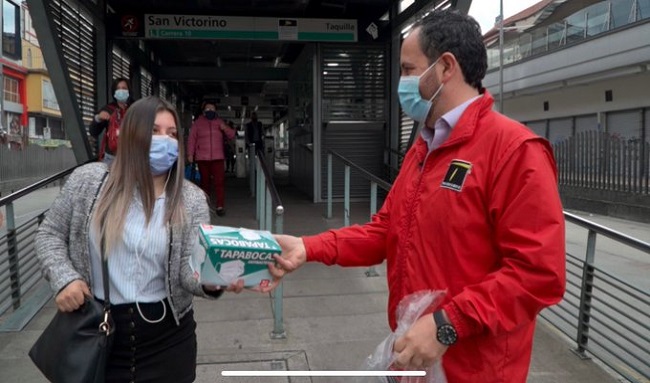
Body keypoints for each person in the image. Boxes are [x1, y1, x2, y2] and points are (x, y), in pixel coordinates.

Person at [264, 9, 566, 383]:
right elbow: (385, 230)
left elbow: (538, 275)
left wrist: (446, 324)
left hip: (476, 370)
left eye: (408, 69)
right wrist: (308, 248)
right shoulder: (425, 147)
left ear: (445, 68)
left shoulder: (515, 151)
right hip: (415, 361)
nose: (401, 81)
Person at [35, 96, 244, 383]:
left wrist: (212, 279)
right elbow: (50, 233)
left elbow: (187, 270)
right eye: (155, 131)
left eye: (172, 134)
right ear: (132, 133)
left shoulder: (191, 199)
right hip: (97, 334)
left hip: (169, 341)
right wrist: (65, 279)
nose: (166, 141)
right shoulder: (88, 182)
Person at [186, 101, 235, 216]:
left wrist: (225, 128)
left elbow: (232, 134)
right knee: (205, 182)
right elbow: (192, 139)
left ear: (215, 111)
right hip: (202, 158)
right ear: (203, 111)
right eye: (208, 109)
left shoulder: (219, 122)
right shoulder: (197, 124)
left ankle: (220, 206)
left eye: (212, 109)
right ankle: (204, 205)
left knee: (219, 182)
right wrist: (190, 154)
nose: (210, 111)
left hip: (218, 157)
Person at [89, 77, 133, 164]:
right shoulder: (108, 109)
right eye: (118, 89)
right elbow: (93, 132)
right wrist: (98, 118)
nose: (121, 91)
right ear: (114, 92)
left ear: (129, 91)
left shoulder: (136, 108)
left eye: (124, 88)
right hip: (112, 157)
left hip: (132, 156)